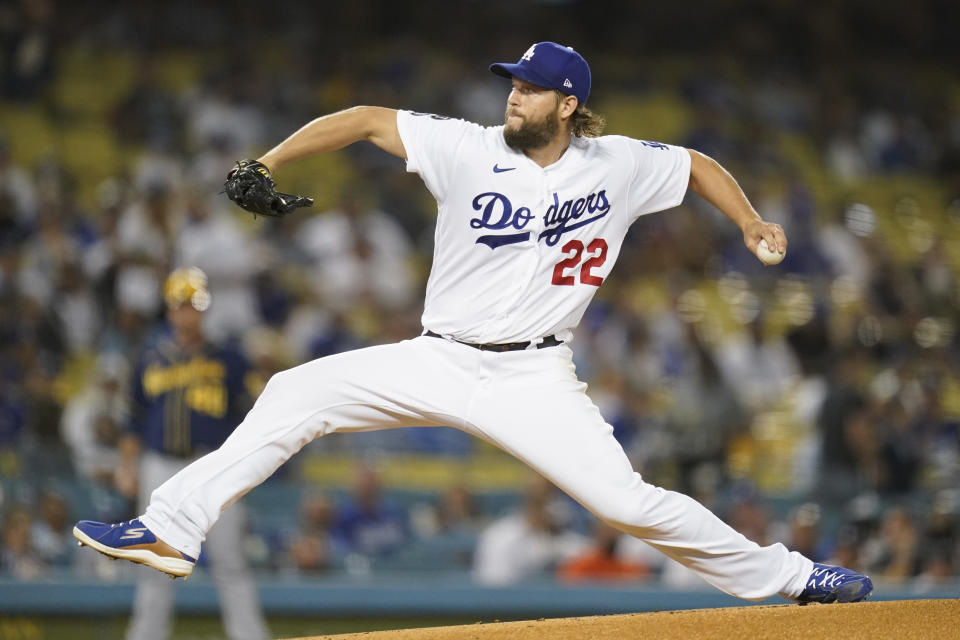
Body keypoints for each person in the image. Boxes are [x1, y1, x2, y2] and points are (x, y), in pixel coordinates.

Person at [74, 41, 872, 605]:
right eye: (511, 83)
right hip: (438, 356)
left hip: (534, 375)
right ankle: (171, 527)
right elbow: (363, 118)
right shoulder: (464, 147)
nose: (512, 95)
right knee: (293, 391)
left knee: (628, 506)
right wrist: (269, 162)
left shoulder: (619, 163)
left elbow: (695, 163)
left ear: (568, 104)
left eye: (529, 87)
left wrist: (751, 221)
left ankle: (794, 578)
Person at [114, 267, 269, 640]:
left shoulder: (230, 359)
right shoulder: (149, 357)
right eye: (181, 305)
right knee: (154, 561)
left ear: (205, 309)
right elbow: (133, 419)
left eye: (194, 305)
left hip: (212, 466)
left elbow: (254, 415)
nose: (187, 313)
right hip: (160, 465)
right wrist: (126, 464)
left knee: (230, 562)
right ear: (170, 309)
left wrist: (244, 468)